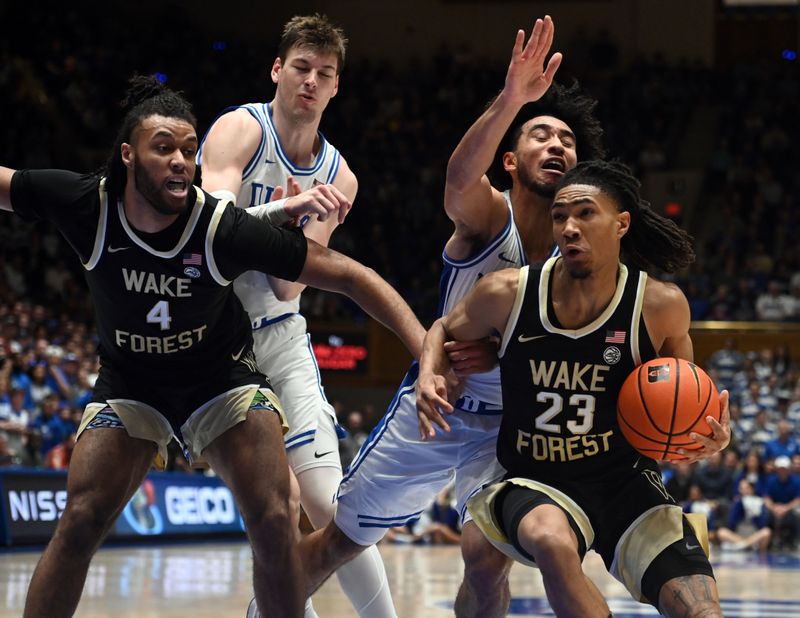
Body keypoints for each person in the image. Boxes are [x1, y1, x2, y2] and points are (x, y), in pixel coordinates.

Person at [298, 17, 730, 618]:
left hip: (517, 427)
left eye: (567, 142)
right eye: (541, 135)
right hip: (440, 407)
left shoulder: (581, 251)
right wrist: (513, 98)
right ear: (509, 159)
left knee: (486, 556)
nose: (557, 145)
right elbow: (456, 180)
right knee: (339, 542)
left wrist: (697, 421)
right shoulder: (487, 217)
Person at [0, 74, 425, 618]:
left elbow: (348, 276)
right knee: (80, 519)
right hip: (133, 387)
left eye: (187, 149)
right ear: (127, 155)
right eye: (164, 148)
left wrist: (423, 345)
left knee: (275, 518)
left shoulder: (216, 225)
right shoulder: (89, 203)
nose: (181, 160)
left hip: (220, 384)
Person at [418, 160, 724, 617]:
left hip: (625, 481)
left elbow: (688, 402)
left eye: (585, 214)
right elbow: (444, 327)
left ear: (621, 224)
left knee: (701, 610)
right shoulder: (507, 293)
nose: (568, 227)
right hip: (535, 478)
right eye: (560, 216)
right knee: (549, 540)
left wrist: (712, 437)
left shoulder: (660, 306)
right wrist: (430, 374)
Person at [197, 15, 396, 617]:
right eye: (302, 67)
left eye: (325, 73)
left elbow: (287, 286)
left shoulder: (340, 177)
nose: (311, 81)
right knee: (276, 511)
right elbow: (211, 236)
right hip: (217, 342)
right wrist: (290, 205)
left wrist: (303, 221)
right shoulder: (238, 130)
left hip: (282, 336)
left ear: (336, 87)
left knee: (334, 508)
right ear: (278, 71)